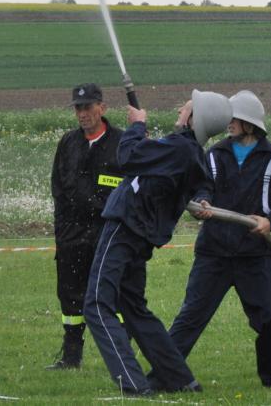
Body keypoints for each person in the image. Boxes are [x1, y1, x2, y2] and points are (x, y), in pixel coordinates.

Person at [84, 90, 232, 396]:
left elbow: (126, 158)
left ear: (193, 119)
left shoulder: (178, 148)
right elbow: (203, 181)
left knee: (97, 305)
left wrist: (136, 126)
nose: (180, 108)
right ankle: (180, 379)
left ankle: (133, 384)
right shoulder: (191, 153)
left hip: (124, 227)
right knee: (135, 309)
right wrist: (203, 197)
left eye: (187, 107)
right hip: (142, 237)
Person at [169, 90, 271, 388]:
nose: (228, 123)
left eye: (235, 119)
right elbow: (200, 186)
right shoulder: (215, 153)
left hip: (255, 255)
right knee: (190, 318)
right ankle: (162, 377)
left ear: (250, 124)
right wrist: (203, 203)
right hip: (213, 253)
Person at [48, 83, 124, 370]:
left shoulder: (121, 142)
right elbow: (58, 188)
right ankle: (71, 356)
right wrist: (62, 231)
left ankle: (119, 355)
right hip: (71, 237)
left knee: (111, 296)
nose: (83, 113)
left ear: (102, 108)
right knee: (69, 295)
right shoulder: (67, 143)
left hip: (107, 235)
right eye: (78, 108)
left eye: (88, 106)